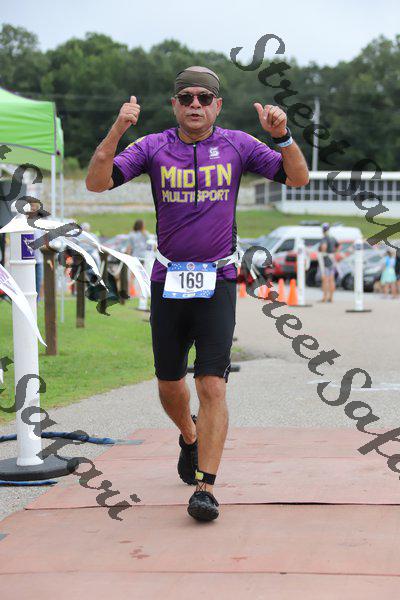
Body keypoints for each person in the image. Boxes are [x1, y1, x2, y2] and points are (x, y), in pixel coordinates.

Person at [86, 66, 309, 522]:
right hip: (167, 280)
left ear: (217, 105)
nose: (194, 105)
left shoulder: (238, 144)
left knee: (211, 383)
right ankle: (189, 436)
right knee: (170, 385)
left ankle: (206, 487)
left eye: (204, 98)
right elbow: (96, 182)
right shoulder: (153, 146)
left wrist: (282, 136)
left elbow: (298, 178)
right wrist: (118, 129)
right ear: (174, 104)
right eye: (186, 97)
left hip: (218, 280)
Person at [318, 223, 339, 303]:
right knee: (332, 280)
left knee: (325, 280)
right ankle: (331, 298)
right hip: (332, 260)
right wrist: (334, 253)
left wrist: (323, 252)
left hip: (326, 261)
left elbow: (324, 246)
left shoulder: (324, 238)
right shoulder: (332, 238)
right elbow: (337, 246)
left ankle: (324, 297)